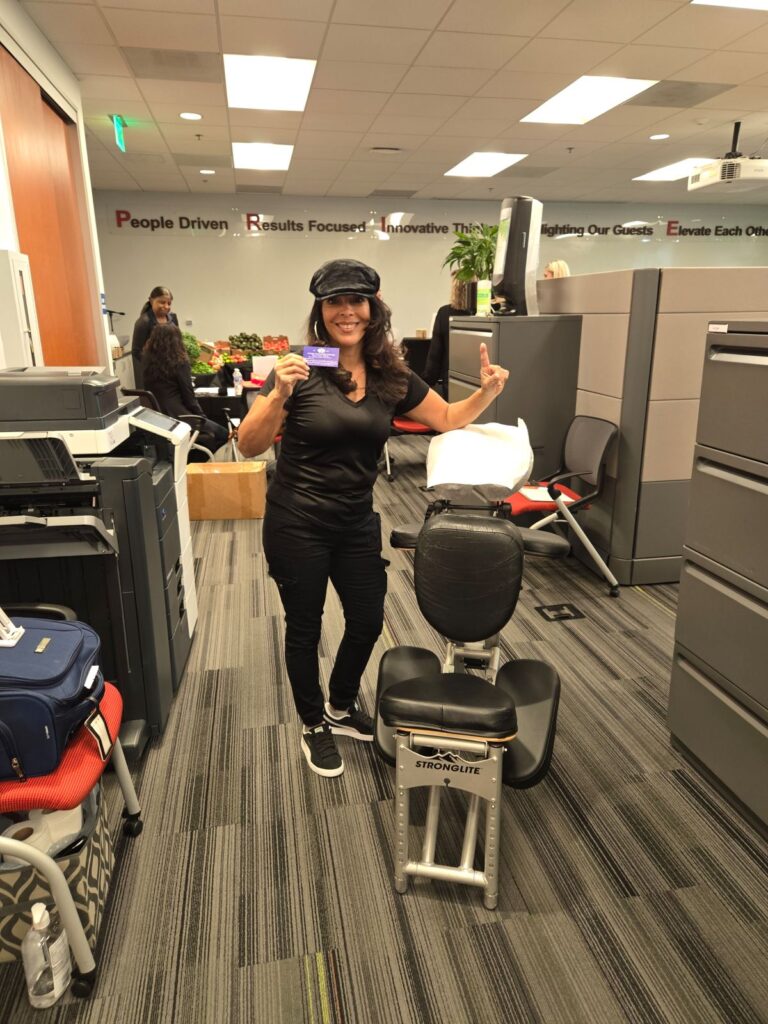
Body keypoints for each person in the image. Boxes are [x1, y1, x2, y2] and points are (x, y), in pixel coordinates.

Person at [238, 258, 509, 778]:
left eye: (356, 301)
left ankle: (340, 705)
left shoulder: (391, 374)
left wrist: (488, 391)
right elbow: (249, 446)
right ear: (321, 311)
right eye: (335, 302)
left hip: (356, 521)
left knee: (366, 620)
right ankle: (313, 722)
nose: (346, 311)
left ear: (373, 309)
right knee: (305, 624)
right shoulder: (300, 365)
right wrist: (277, 396)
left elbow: (448, 418)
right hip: (297, 521)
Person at [142, 323, 227, 460]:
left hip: (158, 418)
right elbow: (189, 397)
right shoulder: (180, 362)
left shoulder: (147, 361)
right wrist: (202, 417)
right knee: (222, 433)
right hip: (180, 418)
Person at [422, 275, 472, 398]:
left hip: (451, 385)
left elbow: (434, 357)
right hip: (479, 383)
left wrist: (423, 386)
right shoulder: (485, 314)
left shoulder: (444, 313)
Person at [131, 286, 179, 388]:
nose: (166, 306)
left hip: (173, 373)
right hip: (154, 377)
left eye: (169, 303)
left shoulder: (173, 319)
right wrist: (154, 365)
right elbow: (136, 351)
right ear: (151, 300)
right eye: (162, 302)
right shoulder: (143, 322)